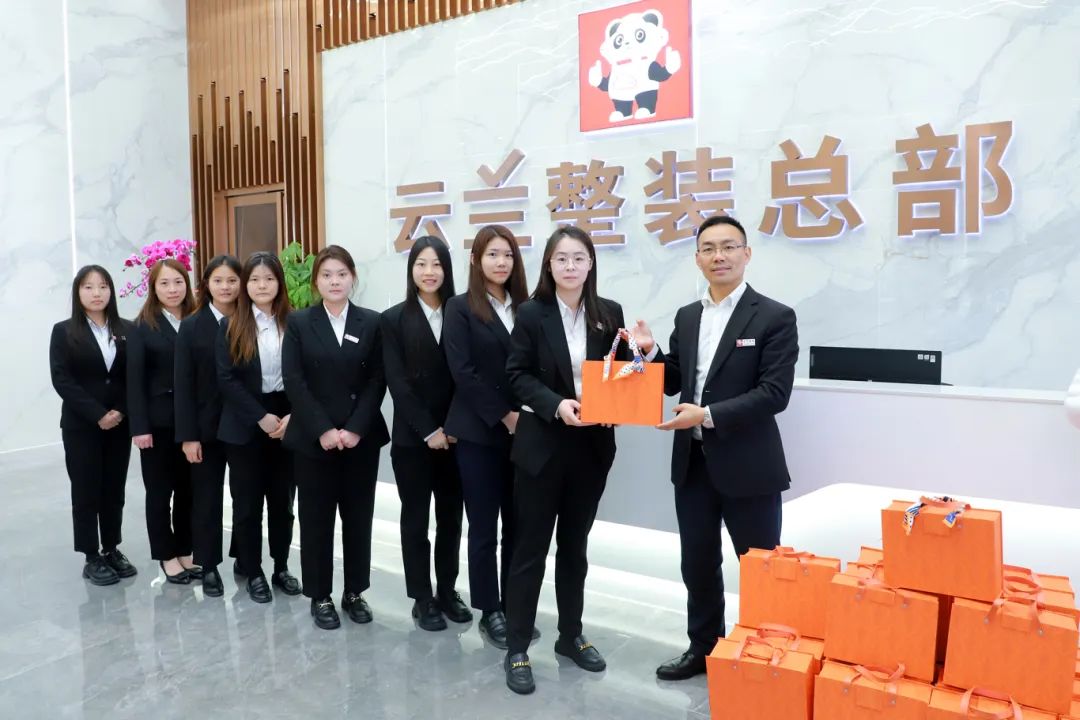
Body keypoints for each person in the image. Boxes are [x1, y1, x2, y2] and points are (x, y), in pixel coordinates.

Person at [501, 225, 656, 695]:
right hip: (542, 446)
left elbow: (631, 374)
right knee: (529, 549)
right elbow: (516, 375)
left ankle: (571, 635)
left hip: (591, 449)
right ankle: (517, 646)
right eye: (561, 258)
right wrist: (555, 404)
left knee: (575, 547)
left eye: (579, 258)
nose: (570, 266)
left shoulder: (609, 313)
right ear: (549, 265)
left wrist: (646, 352)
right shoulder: (531, 313)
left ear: (591, 265)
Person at [653, 214, 798, 681]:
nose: (719, 256)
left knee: (760, 568)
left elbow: (774, 393)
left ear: (746, 254)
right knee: (697, 562)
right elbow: (676, 378)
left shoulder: (774, 316)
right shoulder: (687, 316)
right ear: (697, 258)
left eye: (729, 246)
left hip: (749, 464)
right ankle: (704, 648)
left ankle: (768, 657)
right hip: (693, 463)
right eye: (709, 248)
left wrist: (707, 415)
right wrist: (649, 354)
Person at [282, 245, 389, 630]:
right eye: (326, 275)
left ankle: (354, 592)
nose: (334, 281)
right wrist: (324, 430)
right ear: (316, 282)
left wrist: (355, 428)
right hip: (314, 440)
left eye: (342, 274)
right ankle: (320, 595)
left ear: (353, 278)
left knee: (358, 519)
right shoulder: (299, 322)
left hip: (361, 439)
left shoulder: (371, 322)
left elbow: (378, 379)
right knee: (316, 519)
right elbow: (294, 380)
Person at [443, 225, 529, 648]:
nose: (501, 262)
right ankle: (489, 609)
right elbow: (463, 372)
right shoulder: (460, 307)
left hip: (527, 432)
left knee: (519, 523)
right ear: (476, 260)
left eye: (508, 255)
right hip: (480, 432)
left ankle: (514, 605)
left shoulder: (528, 307)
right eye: (493, 254)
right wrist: (504, 416)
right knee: (483, 526)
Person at [381, 235, 472, 632]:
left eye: (436, 264)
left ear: (447, 269)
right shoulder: (393, 319)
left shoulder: (462, 313)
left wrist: (452, 427)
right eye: (421, 264)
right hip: (413, 439)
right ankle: (422, 597)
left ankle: (448, 590)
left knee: (451, 519)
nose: (429, 272)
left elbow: (468, 376)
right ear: (411, 269)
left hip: (457, 437)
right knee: (415, 520)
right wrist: (429, 429)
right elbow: (398, 384)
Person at [216, 252, 301, 604]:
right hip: (245, 421)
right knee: (247, 503)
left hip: (287, 419)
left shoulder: (295, 322)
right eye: (254, 279)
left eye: (268, 278)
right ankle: (252, 570)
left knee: (283, 502)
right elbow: (226, 379)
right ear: (245, 285)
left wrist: (294, 415)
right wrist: (260, 416)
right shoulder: (231, 325)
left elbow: (306, 375)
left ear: (279, 282)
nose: (261, 285)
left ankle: (281, 566)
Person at [49, 265, 136, 585]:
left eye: (103, 286)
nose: (96, 293)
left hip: (120, 423)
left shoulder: (127, 329)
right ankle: (90, 554)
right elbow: (62, 379)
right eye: (88, 287)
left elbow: (133, 375)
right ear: (78, 292)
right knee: (86, 489)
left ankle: (111, 547)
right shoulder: (64, 331)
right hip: (82, 425)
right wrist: (98, 414)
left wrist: (120, 410)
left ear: (111, 291)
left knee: (114, 488)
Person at [174, 254, 242, 597]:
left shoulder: (250, 320)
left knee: (245, 496)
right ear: (206, 285)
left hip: (245, 425)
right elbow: (183, 385)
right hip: (205, 429)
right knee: (206, 499)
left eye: (232, 280)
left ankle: (245, 559)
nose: (226, 287)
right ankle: (210, 565)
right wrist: (188, 437)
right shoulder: (191, 326)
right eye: (218, 280)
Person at [127, 258, 198, 584]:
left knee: (188, 491)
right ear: (153, 288)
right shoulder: (142, 327)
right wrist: (139, 427)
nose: (172, 289)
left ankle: (185, 549)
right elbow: (134, 381)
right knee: (159, 494)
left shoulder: (197, 320)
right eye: (164, 283)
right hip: (158, 424)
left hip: (193, 423)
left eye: (178, 282)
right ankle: (166, 556)